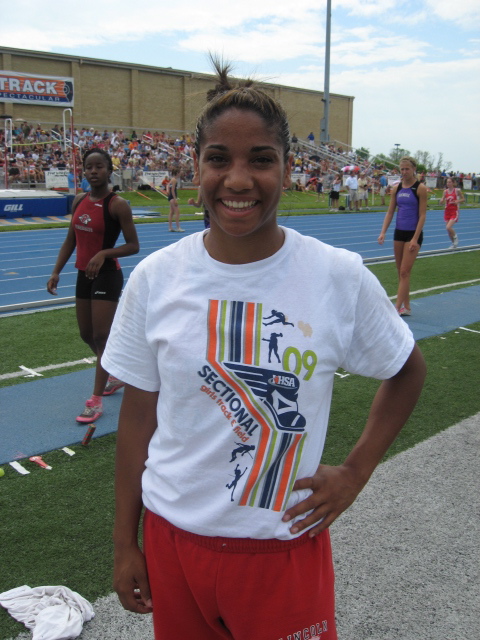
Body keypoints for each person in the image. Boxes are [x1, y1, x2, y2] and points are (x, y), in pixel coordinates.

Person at [102, 59, 426, 640]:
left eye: (260, 159)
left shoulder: (336, 275)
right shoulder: (156, 278)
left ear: (288, 167)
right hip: (174, 539)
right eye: (218, 159)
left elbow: (407, 370)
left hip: (281, 546)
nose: (238, 179)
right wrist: (126, 541)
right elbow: (138, 415)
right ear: (195, 166)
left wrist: (355, 473)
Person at [47, 148, 139, 423]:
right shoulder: (79, 200)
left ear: (109, 170)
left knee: (101, 336)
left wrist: (104, 253)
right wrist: (56, 272)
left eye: (99, 166)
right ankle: (114, 371)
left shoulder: (117, 205)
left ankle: (96, 401)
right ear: (84, 171)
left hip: (107, 275)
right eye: (89, 167)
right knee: (87, 334)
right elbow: (70, 240)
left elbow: (133, 246)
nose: (94, 171)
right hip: (83, 274)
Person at [377, 156, 427, 317]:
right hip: (399, 232)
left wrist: (415, 238)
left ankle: (396, 308)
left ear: (413, 169)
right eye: (402, 169)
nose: (404, 172)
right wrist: (383, 232)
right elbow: (390, 212)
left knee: (405, 271)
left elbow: (422, 215)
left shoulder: (420, 188)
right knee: (401, 272)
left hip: (413, 234)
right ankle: (407, 307)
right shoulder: (397, 188)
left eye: (407, 169)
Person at [439, 177, 464, 249]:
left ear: (453, 183)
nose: (448, 183)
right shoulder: (445, 191)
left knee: (448, 227)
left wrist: (457, 201)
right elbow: (442, 199)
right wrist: (441, 201)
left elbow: (463, 199)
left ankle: (456, 238)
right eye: (447, 182)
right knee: (448, 231)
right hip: (447, 211)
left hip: (454, 211)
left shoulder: (457, 190)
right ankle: (453, 244)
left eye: (449, 182)